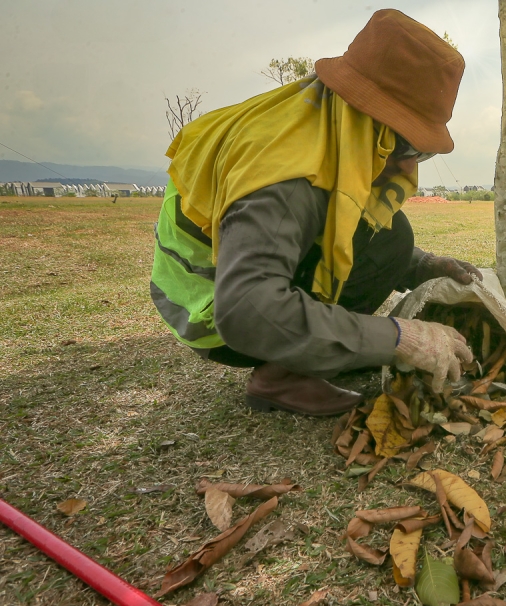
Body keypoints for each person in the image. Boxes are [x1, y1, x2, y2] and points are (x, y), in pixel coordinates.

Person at [150, 9, 480, 417]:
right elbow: (247, 309)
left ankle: (304, 356)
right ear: (368, 120)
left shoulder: (318, 120)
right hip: (213, 313)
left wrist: (420, 267)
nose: (408, 166)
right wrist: (401, 337)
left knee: (393, 238)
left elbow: (326, 227)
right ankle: (283, 374)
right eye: (407, 146)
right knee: (391, 239)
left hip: (228, 279)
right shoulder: (287, 176)